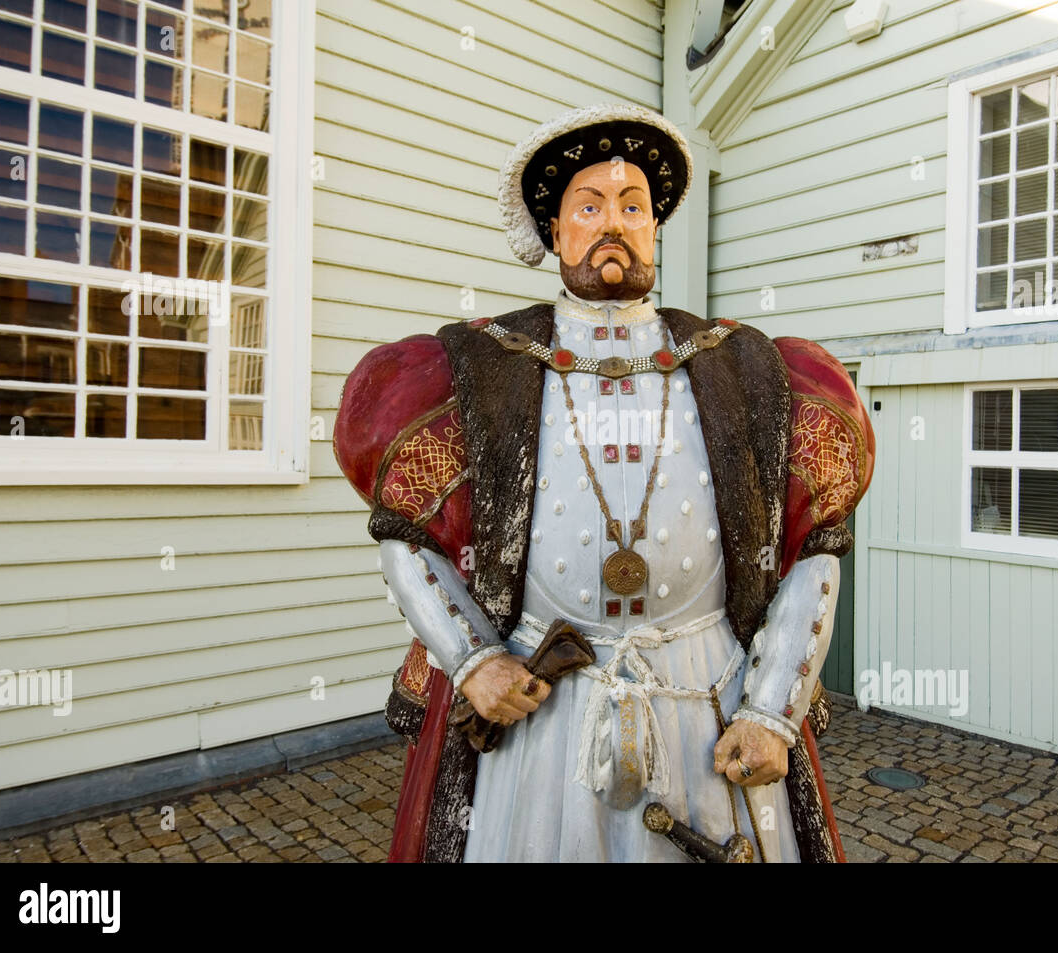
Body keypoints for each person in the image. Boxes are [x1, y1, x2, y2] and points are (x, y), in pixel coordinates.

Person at [333, 103, 875, 862]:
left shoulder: (747, 370)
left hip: (708, 703)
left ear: (656, 228)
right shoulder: (476, 369)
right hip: (545, 716)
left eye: (632, 207)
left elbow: (816, 551)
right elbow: (405, 536)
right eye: (589, 207)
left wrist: (772, 710)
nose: (612, 223)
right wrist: (473, 661)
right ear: (556, 233)